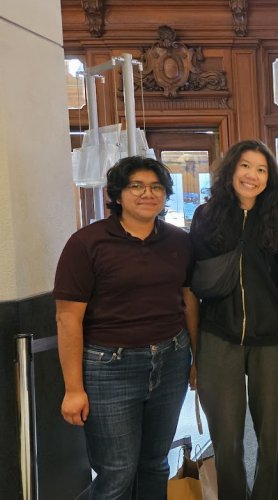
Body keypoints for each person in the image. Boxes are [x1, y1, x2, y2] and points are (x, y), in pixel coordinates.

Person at [54, 156, 196, 499]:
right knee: (117, 471)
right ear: (117, 194)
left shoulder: (179, 241)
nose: (148, 193)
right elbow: (67, 318)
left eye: (157, 187)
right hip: (109, 367)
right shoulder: (87, 243)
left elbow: (188, 300)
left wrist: (197, 358)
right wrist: (73, 389)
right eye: (137, 186)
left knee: (155, 462)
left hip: (171, 359)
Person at [189, 140, 278, 499]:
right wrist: (194, 347)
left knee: (271, 435)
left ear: (270, 178)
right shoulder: (206, 216)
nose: (253, 175)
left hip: (270, 339)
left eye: (262, 170)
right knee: (227, 436)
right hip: (219, 335)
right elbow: (193, 281)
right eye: (246, 166)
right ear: (231, 170)